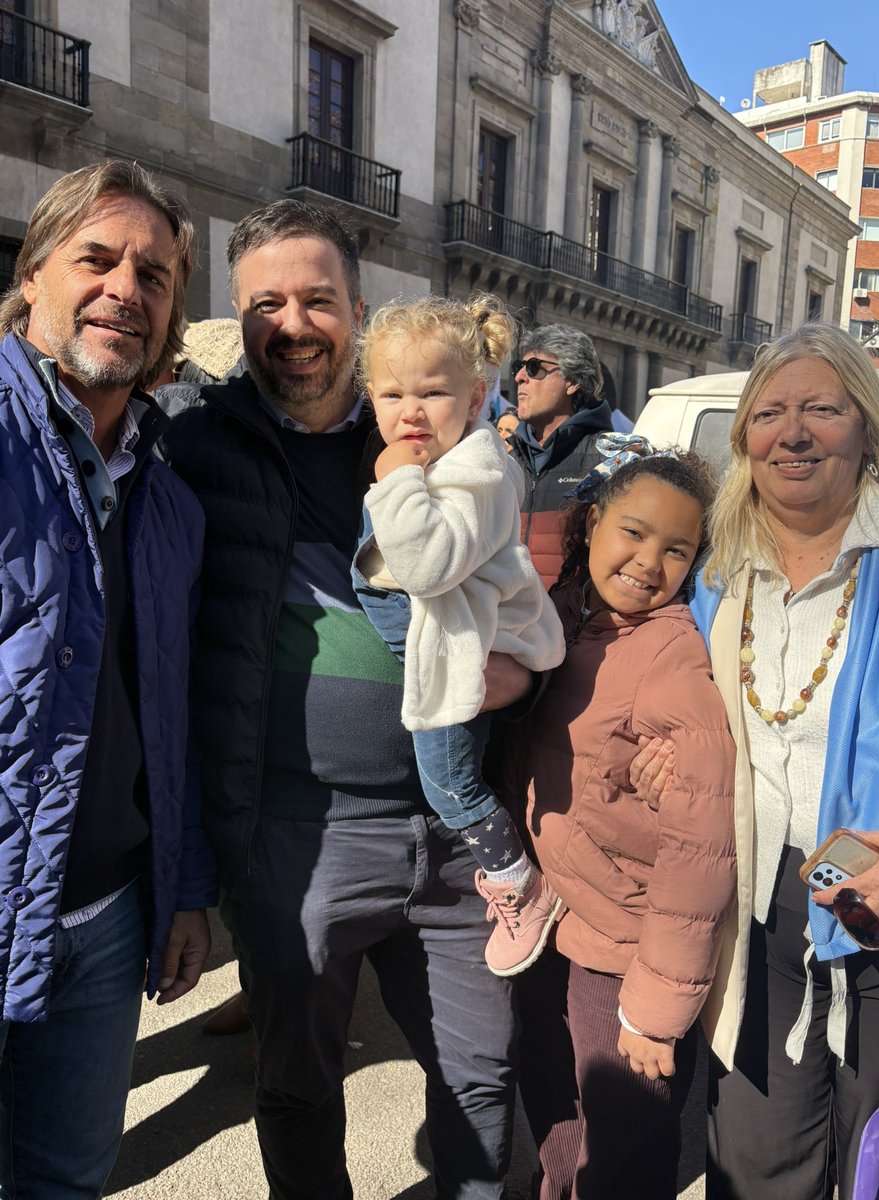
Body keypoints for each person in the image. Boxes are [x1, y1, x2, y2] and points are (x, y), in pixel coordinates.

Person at [161, 200, 529, 1199]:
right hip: (297, 835)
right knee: (297, 1083)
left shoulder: (433, 425)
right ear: (234, 315)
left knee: (482, 1076)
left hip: (458, 835)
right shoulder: (193, 442)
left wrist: (526, 664)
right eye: (266, 302)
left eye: (318, 299)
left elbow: (526, 575)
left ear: (359, 310)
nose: (293, 324)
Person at [0, 160, 216, 1197]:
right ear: (33, 274)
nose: (126, 287)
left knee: (66, 1184)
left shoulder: (169, 501)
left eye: (156, 274)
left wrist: (182, 891)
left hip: (106, 917)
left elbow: (167, 716)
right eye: (97, 258)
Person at [681, 324, 879, 1198]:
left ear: (866, 427)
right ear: (743, 441)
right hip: (765, 916)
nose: (794, 432)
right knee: (755, 1164)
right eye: (769, 413)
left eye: (821, 408)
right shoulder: (713, 575)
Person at [507, 435, 736, 1199]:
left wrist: (655, 1009)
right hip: (554, 927)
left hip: (623, 952)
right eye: (634, 533)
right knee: (559, 1130)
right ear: (595, 521)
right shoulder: (562, 615)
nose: (649, 562)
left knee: (626, 1153)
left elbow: (703, 847)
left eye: (678, 549)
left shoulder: (670, 651)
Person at [352, 294, 565, 976]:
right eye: (391, 393)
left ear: (475, 397)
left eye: (433, 392)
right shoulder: (440, 464)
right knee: (450, 780)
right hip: (444, 644)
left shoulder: (477, 471)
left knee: (451, 789)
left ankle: (520, 887)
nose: (409, 411)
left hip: (461, 654)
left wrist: (396, 481)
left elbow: (429, 563)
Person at [509, 324, 613, 587]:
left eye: (534, 368)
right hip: (503, 622)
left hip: (568, 624)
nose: (520, 376)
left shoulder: (607, 461)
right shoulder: (504, 457)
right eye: (519, 367)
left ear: (572, 382)